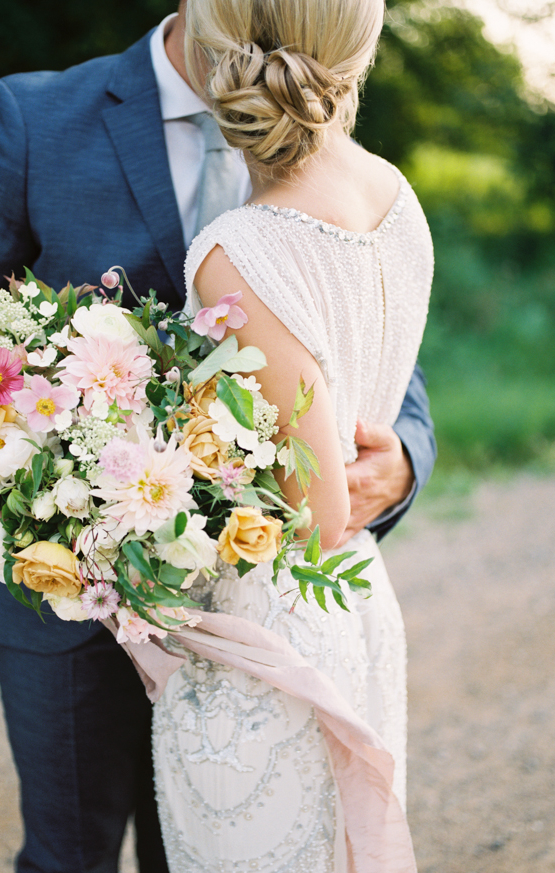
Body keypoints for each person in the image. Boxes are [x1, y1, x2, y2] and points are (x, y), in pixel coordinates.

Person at [0, 1, 435, 870]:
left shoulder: (321, 132)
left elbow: (361, 331)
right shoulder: (36, 120)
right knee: (68, 855)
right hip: (66, 599)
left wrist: (406, 454)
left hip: (257, 610)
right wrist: (48, 482)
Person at [149, 0, 432, 870]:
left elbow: (308, 513)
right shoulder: (393, 192)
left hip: (272, 648)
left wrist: (132, 488)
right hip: (358, 600)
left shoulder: (240, 247)